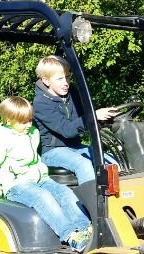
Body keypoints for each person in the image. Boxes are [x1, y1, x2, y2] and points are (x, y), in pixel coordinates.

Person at [0, 96, 91, 253]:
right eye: (23, 122)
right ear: (8, 121)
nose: (29, 125)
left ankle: (85, 227)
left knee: (64, 192)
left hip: (39, 179)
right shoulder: (1, 139)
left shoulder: (33, 133)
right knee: (43, 197)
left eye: (30, 120)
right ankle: (71, 236)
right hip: (17, 184)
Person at [33, 55, 118, 185]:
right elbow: (66, 130)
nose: (65, 82)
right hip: (53, 151)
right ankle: (93, 204)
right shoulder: (41, 103)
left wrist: (106, 117)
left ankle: (119, 201)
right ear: (46, 80)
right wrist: (93, 116)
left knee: (112, 161)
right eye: (60, 78)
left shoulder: (72, 93)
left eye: (67, 77)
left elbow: (85, 116)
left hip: (76, 147)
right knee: (83, 164)